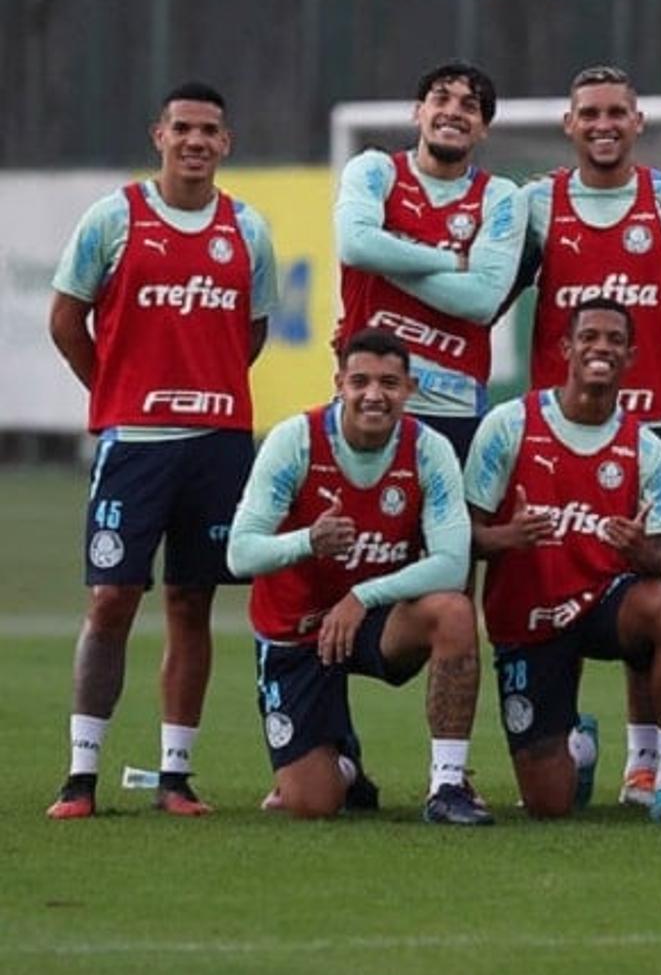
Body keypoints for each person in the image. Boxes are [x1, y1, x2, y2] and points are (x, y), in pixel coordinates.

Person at [511, 63, 661, 808]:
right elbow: (482, 298)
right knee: (556, 582)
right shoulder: (537, 205)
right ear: (570, 125)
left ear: (639, 123)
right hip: (556, 437)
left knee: (649, 588)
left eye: (618, 111)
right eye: (590, 112)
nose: (604, 124)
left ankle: (646, 764)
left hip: (649, 432)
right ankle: (569, 732)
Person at [46, 81, 278, 819]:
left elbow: (253, 332)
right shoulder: (114, 218)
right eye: (183, 128)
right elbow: (65, 318)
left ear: (226, 143)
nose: (196, 142)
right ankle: (81, 774)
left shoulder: (248, 230)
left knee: (191, 601)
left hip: (217, 444)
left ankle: (176, 774)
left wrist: (203, 388)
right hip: (135, 445)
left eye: (210, 130)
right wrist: (115, 395)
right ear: (159, 136)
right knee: (111, 599)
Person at [465, 299, 661, 824]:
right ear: (566, 349)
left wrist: (636, 550)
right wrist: (504, 537)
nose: (600, 348)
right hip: (531, 618)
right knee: (549, 805)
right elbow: (460, 535)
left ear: (631, 356)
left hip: (604, 603)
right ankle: (575, 745)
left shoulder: (645, 447)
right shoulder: (509, 425)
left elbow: (660, 562)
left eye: (613, 340)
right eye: (589, 337)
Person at [227, 329, 490, 824]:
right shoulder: (295, 441)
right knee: (312, 803)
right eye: (361, 381)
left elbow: (454, 565)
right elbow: (240, 554)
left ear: (409, 388)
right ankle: (343, 764)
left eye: (389, 383)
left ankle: (448, 786)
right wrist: (308, 541)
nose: (375, 395)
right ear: (339, 384)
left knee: (453, 612)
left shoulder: (428, 450)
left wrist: (362, 596)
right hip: (297, 633)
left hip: (374, 620)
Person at [334, 60, 527, 460]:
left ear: (483, 127)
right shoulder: (375, 170)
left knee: (451, 525)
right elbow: (355, 245)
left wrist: (385, 255)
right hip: (369, 399)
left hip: (454, 403)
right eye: (441, 99)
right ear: (418, 111)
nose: (453, 112)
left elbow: (480, 301)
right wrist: (454, 263)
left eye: (470, 106)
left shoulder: (501, 196)